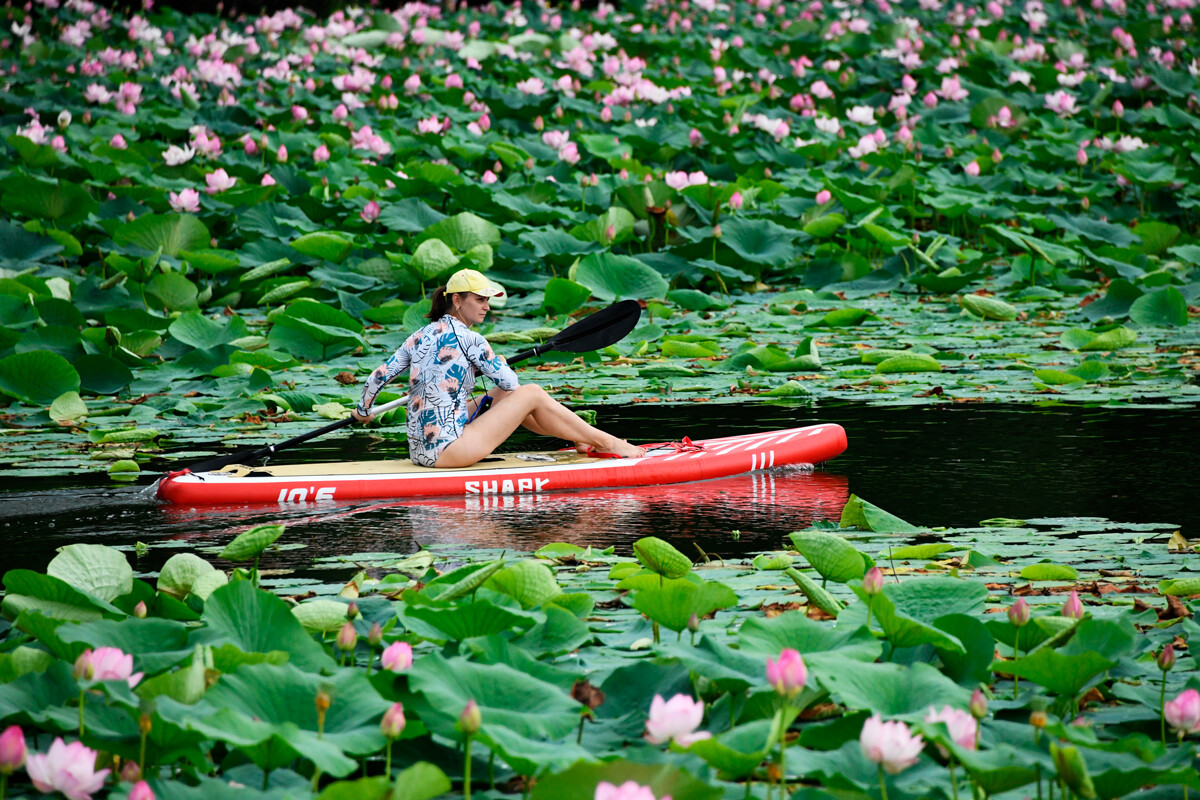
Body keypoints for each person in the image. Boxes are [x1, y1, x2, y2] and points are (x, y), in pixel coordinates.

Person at [351, 268, 645, 468]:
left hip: (419, 452)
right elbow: (511, 384)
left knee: (503, 397)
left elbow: (379, 375)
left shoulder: (417, 336)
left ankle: (581, 438)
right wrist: (499, 366)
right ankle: (606, 441)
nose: (486, 306)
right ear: (457, 300)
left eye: (487, 300)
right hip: (450, 451)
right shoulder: (471, 339)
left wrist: (364, 410)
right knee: (530, 393)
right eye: (479, 299)